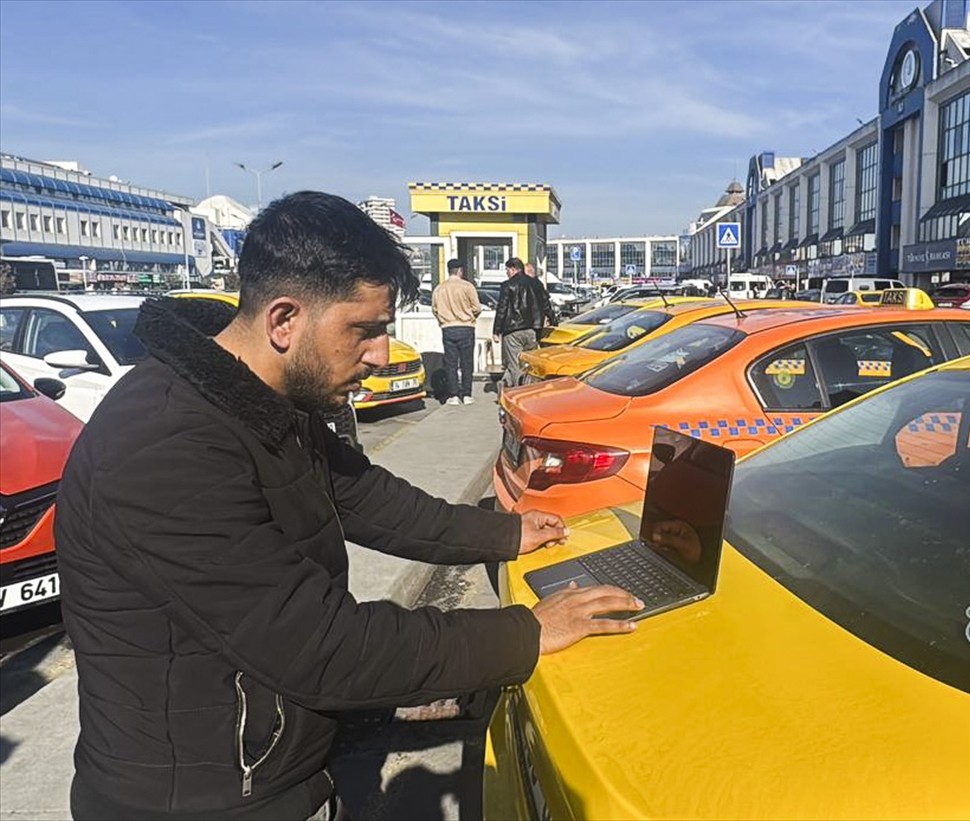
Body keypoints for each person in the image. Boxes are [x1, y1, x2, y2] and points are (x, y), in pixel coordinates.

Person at [54, 192, 642, 821]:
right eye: (364, 330)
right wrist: (526, 634)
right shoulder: (166, 446)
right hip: (210, 799)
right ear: (285, 319)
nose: (382, 354)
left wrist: (502, 535)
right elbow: (321, 647)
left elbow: (363, 495)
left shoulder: (256, 398)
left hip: (275, 761)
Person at [492, 256, 555, 389]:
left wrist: (496, 331)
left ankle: (519, 390)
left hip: (512, 330)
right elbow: (546, 304)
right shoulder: (536, 284)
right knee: (529, 363)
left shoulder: (508, 285)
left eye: (507, 270)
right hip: (532, 329)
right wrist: (553, 319)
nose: (506, 273)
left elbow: (501, 309)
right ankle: (516, 385)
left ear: (513, 269)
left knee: (515, 364)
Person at [431, 257, 482, 405]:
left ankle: (453, 395)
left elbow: (435, 310)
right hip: (466, 327)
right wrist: (470, 316)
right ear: (460, 271)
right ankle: (466, 394)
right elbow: (477, 308)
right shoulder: (467, 286)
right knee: (467, 363)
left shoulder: (439, 288)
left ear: (449, 271)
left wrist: (443, 320)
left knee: (451, 363)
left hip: (448, 328)